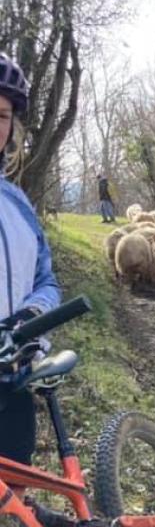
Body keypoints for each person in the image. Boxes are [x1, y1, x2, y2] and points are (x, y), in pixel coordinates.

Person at [0, 52, 62, 465]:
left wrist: (32, 314)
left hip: (12, 382)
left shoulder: (17, 204)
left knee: (13, 509)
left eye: (2, 114)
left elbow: (46, 280)